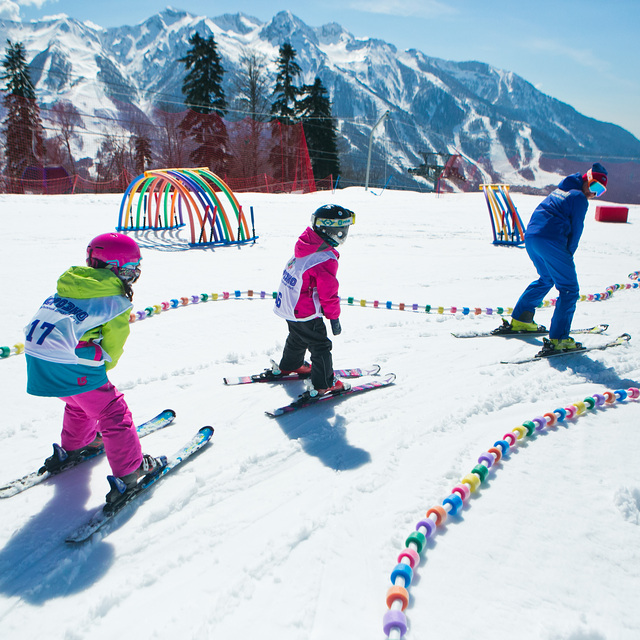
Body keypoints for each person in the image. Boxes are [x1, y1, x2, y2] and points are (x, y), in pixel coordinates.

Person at [24, 232, 163, 504]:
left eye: (135, 271)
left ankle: (78, 443)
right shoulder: (114, 299)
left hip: (38, 359)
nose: (131, 277)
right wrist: (102, 366)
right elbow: (113, 346)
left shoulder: (72, 284)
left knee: (79, 401)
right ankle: (131, 470)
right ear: (112, 268)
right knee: (111, 410)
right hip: (70, 360)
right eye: (128, 270)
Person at [496, 162, 608, 354]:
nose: (594, 193)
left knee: (547, 278)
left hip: (531, 238)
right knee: (569, 289)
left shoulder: (561, 191)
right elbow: (576, 230)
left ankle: (521, 319)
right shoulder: (579, 197)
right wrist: (567, 256)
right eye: (594, 186)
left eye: (600, 191)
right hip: (551, 241)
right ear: (587, 179)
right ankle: (559, 338)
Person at [273, 204, 355, 398]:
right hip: (303, 309)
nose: (343, 234)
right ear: (332, 231)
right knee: (320, 345)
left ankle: (291, 365)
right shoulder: (324, 258)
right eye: (342, 230)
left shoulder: (307, 244)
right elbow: (328, 293)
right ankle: (324, 383)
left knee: (298, 336)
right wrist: (334, 317)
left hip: (289, 305)